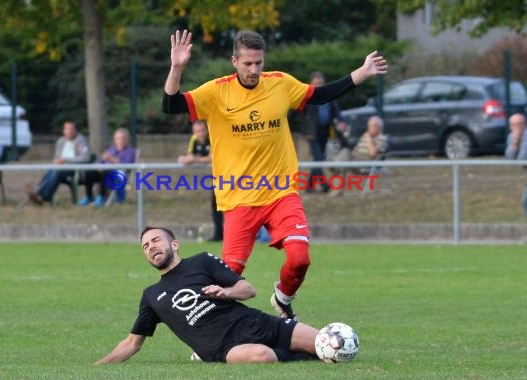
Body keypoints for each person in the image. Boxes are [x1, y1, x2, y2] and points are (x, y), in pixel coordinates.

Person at [162, 29, 387, 320]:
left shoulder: (280, 84)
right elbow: (170, 106)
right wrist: (177, 67)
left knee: (300, 258)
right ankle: (210, 340)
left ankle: (283, 297)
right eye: (248, 64)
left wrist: (362, 72)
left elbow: (319, 96)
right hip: (238, 197)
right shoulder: (217, 91)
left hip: (281, 192)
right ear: (234, 61)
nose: (254, 69)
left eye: (259, 63)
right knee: (228, 280)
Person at [95, 226, 322, 364]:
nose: (151, 247)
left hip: (257, 323)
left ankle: (309, 349)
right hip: (224, 347)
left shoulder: (201, 261)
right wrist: (100, 366)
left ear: (174, 244)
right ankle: (300, 356)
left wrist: (226, 292)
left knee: (323, 342)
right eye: (145, 246)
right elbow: (132, 343)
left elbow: (249, 290)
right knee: (262, 356)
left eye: (156, 240)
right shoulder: (152, 296)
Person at [177, 120, 224, 241]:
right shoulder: (194, 140)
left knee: (227, 206)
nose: (201, 133)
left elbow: (211, 158)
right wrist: (185, 159)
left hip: (227, 175)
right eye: (198, 131)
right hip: (216, 177)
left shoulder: (212, 137)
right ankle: (219, 234)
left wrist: (194, 159)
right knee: (216, 205)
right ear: (194, 132)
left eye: (203, 130)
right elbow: (190, 156)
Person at [27, 121, 91, 205]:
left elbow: (85, 157)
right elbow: (57, 157)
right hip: (60, 167)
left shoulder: (81, 140)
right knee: (51, 171)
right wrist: (56, 162)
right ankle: (39, 194)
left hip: (75, 169)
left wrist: (66, 160)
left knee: (56, 172)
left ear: (75, 130)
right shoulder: (61, 141)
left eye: (71, 129)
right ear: (63, 131)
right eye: (66, 129)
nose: (69, 131)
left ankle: (42, 195)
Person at [302, 72, 343, 193]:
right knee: (319, 157)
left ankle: (310, 186)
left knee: (318, 158)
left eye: (321, 83)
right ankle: (324, 184)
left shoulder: (327, 95)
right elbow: (295, 111)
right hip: (312, 132)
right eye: (316, 83)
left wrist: (341, 120)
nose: (319, 85)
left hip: (325, 131)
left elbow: (335, 110)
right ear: (311, 84)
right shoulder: (307, 96)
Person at [78, 128, 136, 208]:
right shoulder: (111, 149)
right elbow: (101, 162)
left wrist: (112, 159)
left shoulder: (130, 151)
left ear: (127, 140)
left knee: (106, 171)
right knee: (89, 172)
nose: (121, 141)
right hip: (103, 172)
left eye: (123, 138)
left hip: (119, 174)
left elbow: (127, 165)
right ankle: (89, 196)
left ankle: (101, 197)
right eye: (118, 138)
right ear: (115, 140)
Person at [505, 113, 527, 219]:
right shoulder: (511, 137)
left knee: (525, 200)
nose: (517, 127)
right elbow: (509, 158)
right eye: (514, 125)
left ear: (525, 124)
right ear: (510, 127)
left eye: (519, 124)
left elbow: (522, 158)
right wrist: (515, 142)